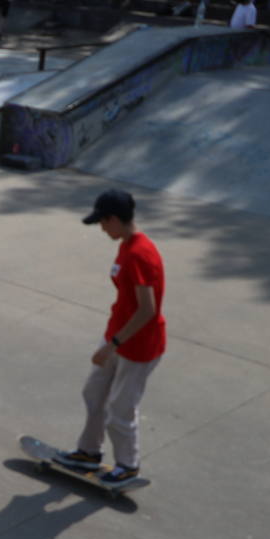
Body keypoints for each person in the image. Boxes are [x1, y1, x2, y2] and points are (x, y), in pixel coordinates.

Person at [56, 189, 165, 485]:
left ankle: (128, 466)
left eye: (103, 223)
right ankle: (89, 452)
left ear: (114, 219)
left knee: (120, 407)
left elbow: (147, 310)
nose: (102, 229)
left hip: (139, 346)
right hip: (117, 335)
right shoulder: (126, 245)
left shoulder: (141, 254)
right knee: (94, 392)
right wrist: (111, 341)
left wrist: (112, 346)